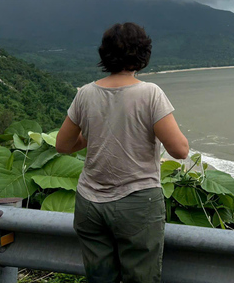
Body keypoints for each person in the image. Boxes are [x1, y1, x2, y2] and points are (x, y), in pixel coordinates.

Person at [56, 22, 189, 283]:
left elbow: (63, 145)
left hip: (90, 203)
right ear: (143, 54)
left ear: (104, 54)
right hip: (138, 203)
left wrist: (95, 135)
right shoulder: (150, 93)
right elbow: (180, 150)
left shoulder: (85, 93)